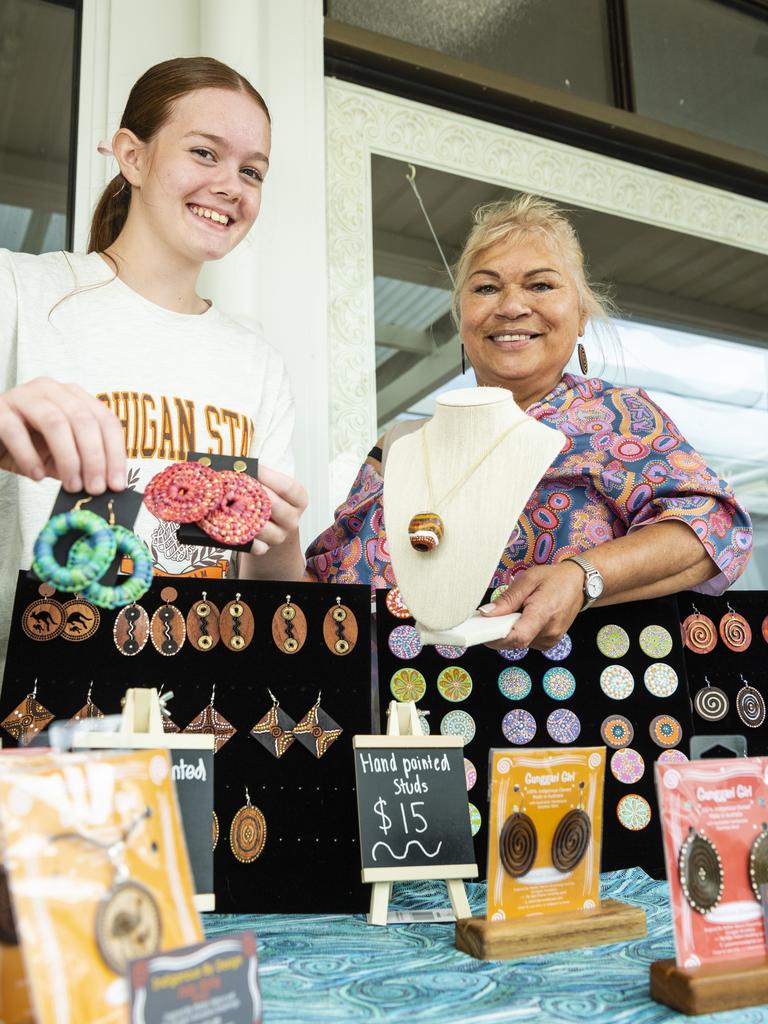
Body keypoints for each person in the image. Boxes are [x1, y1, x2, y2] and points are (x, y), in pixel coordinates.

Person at [305, 194, 752, 650]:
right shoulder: (401, 448)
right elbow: (326, 587)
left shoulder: (617, 418)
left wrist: (582, 578)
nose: (512, 306)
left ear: (580, 317)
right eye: (485, 288)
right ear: (462, 321)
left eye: (540, 286)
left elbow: (715, 528)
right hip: (409, 712)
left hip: (575, 708)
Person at [0, 57, 307, 677]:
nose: (231, 185)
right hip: (30, 720)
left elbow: (265, 593)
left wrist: (284, 537)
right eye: (203, 153)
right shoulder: (18, 289)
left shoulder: (258, 363)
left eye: (252, 171)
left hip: (197, 722)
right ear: (132, 157)